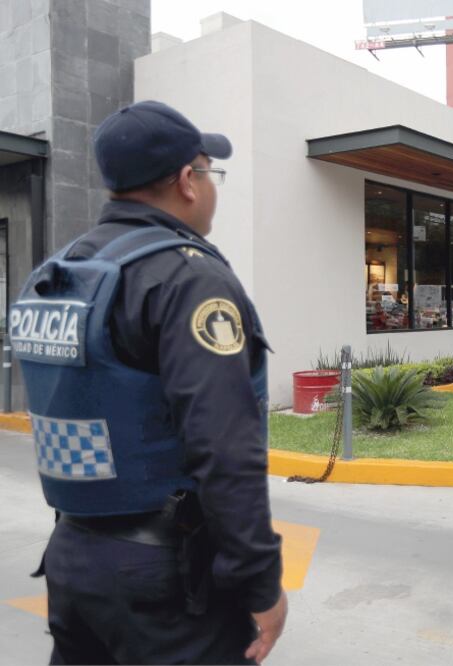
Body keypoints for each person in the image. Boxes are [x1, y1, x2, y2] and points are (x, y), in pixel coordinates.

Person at [11, 101, 286, 664]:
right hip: (164, 581)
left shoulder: (60, 272)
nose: (212, 186)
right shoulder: (187, 277)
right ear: (188, 180)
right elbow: (224, 446)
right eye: (210, 172)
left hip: (73, 556)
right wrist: (260, 583)